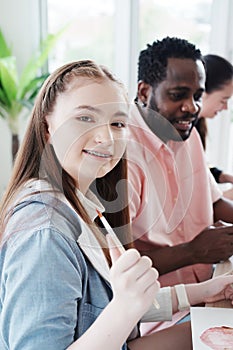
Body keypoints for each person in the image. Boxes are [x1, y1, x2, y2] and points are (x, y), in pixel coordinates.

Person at [1, 60, 233, 350]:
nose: (106, 138)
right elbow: (120, 307)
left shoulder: (83, 203)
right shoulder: (45, 232)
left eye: (118, 123)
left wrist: (204, 291)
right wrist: (124, 307)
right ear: (47, 127)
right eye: (85, 118)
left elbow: (114, 302)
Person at [126, 37, 233, 332]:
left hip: (208, 287)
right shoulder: (121, 158)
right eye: (178, 95)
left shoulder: (187, 135)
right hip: (158, 313)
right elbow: (119, 270)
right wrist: (193, 251)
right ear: (145, 91)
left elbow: (214, 203)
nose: (191, 107)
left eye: (197, 95)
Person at [195, 54, 233, 198]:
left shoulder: (198, 126)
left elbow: (201, 168)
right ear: (202, 93)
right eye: (223, 100)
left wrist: (224, 176)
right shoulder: (184, 132)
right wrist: (226, 195)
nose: (225, 107)